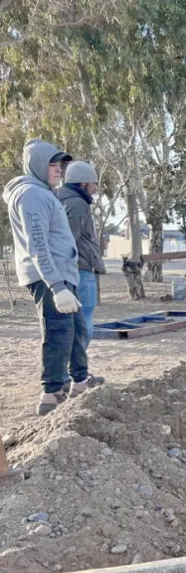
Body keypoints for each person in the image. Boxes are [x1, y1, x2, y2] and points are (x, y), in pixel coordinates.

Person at [2, 139, 101, 416]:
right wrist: (56, 286)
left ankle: (79, 382)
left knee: (76, 328)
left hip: (63, 274)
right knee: (58, 331)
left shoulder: (44, 192)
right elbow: (38, 244)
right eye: (52, 164)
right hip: (50, 277)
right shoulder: (31, 195)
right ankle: (52, 393)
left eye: (60, 165)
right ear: (37, 166)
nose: (58, 170)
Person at [57, 161, 106, 345]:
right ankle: (78, 370)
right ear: (83, 183)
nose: (96, 188)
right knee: (84, 323)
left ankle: (73, 370)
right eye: (94, 183)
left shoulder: (61, 199)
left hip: (73, 270)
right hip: (82, 269)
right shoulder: (78, 204)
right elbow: (69, 239)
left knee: (75, 322)